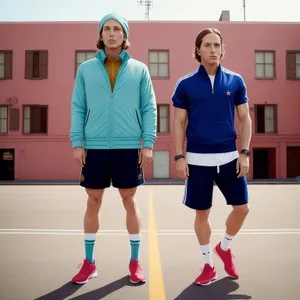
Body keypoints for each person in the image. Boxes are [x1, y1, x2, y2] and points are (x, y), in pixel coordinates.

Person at [69, 12, 157, 285]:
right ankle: (89, 263)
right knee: (92, 201)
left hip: (128, 145)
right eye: (106, 29)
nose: (111, 33)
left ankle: (134, 262)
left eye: (117, 29)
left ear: (125, 36)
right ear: (100, 35)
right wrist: (77, 142)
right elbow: (78, 107)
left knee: (129, 201)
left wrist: (147, 143)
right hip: (94, 146)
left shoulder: (139, 69)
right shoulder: (85, 69)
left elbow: (148, 107)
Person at [172, 28, 252, 286]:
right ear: (197, 50)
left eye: (217, 45)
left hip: (230, 158)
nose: (213, 49)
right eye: (207, 45)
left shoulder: (235, 81)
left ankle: (225, 248)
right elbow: (178, 122)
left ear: (222, 49)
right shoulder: (185, 84)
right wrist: (179, 157)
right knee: (202, 214)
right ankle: (208, 265)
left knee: (242, 209)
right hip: (197, 161)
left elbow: (244, 117)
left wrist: (244, 152)